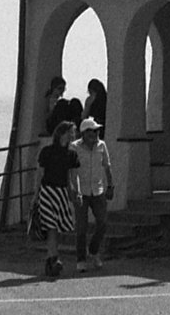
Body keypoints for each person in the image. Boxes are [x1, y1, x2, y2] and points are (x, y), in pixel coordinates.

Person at [35, 125, 80, 280]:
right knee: (51, 226)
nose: (73, 135)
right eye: (71, 132)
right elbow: (40, 175)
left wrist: (76, 193)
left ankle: (51, 259)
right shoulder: (47, 151)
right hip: (47, 191)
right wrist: (35, 196)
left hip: (61, 192)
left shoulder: (71, 154)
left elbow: (72, 177)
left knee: (59, 227)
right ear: (62, 133)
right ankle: (53, 259)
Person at [72, 118, 112, 268]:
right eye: (92, 131)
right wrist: (75, 190)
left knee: (103, 222)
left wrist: (111, 185)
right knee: (81, 227)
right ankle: (81, 260)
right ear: (84, 133)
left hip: (98, 190)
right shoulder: (74, 147)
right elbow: (73, 171)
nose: (95, 134)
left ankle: (93, 250)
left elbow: (107, 166)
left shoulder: (102, 145)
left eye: (96, 131)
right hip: (81, 191)